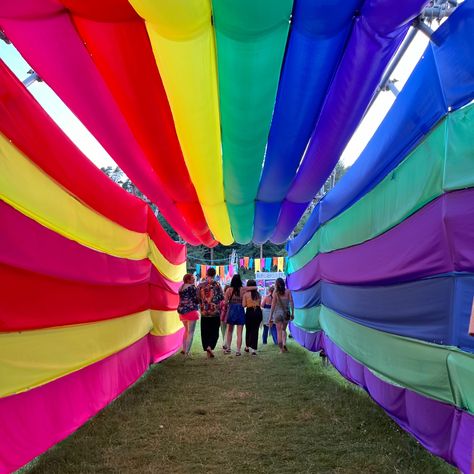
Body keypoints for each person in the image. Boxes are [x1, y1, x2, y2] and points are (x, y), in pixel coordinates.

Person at [224, 275, 257, 356]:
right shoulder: (243, 289)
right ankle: (238, 351)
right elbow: (255, 287)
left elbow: (225, 302)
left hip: (231, 310)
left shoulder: (228, 290)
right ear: (240, 281)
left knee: (229, 331)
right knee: (239, 333)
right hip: (240, 310)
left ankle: (228, 348)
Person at [197, 267, 224, 358]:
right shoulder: (217, 284)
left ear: (207, 274)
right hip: (215, 312)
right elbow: (221, 297)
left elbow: (197, 298)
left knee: (205, 332)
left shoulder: (200, 285)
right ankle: (210, 347)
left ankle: (207, 348)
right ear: (214, 274)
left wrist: (202, 303)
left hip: (204, 312)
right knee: (214, 331)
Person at [177, 273, 200, 357]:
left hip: (182, 311)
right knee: (191, 332)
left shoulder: (181, 287)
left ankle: (184, 349)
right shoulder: (192, 287)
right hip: (191, 311)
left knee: (186, 330)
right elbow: (196, 299)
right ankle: (187, 352)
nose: (194, 279)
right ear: (188, 280)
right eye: (192, 278)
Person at [269, 277, 294, 353]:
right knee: (283, 329)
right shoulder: (288, 292)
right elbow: (291, 302)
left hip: (277, 313)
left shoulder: (275, 293)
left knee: (278, 331)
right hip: (286, 313)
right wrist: (293, 313)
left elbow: (273, 305)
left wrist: (270, 317)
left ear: (276, 285)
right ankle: (284, 343)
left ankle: (281, 349)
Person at [243, 279, 262, 355]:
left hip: (249, 312)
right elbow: (260, 304)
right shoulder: (258, 294)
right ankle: (253, 350)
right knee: (255, 330)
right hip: (258, 312)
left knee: (248, 330)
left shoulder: (246, 294)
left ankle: (247, 347)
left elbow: (244, 305)